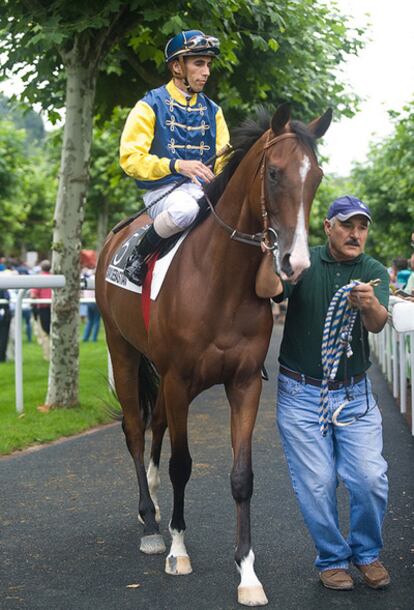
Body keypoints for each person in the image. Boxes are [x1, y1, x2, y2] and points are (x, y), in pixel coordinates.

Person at [258, 195, 390, 591]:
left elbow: (379, 324)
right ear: (328, 227)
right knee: (316, 481)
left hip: (354, 395)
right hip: (301, 393)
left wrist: (367, 305)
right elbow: (268, 290)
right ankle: (332, 558)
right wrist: (268, 254)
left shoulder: (373, 270)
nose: (356, 233)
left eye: (362, 226)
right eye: (347, 225)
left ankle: (366, 554)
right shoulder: (303, 260)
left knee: (370, 478)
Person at [119, 29, 230, 285]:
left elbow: (224, 158)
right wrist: (176, 165)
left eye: (208, 64)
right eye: (199, 63)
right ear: (177, 67)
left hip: (203, 190)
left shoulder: (214, 111)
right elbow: (131, 159)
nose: (206, 72)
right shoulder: (148, 105)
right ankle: (140, 254)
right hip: (163, 191)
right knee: (185, 210)